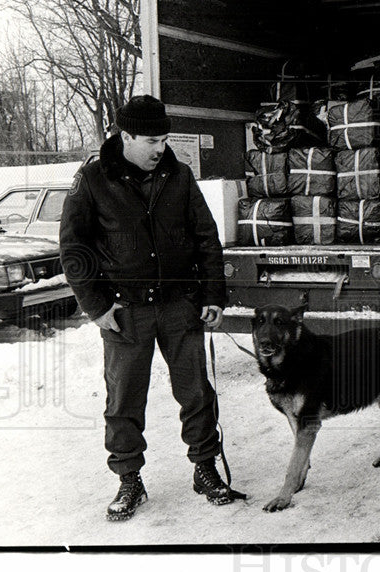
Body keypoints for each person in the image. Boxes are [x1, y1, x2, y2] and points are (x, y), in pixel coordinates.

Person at [60, 94, 245, 521]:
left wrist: (213, 295)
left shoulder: (178, 176)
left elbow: (206, 237)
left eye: (163, 139)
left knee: (197, 392)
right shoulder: (92, 180)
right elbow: (73, 248)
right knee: (124, 400)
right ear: (125, 136)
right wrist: (96, 306)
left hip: (179, 305)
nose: (160, 148)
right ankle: (129, 480)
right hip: (124, 311)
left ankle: (205, 469)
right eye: (150, 140)